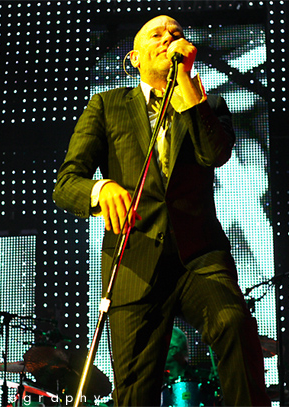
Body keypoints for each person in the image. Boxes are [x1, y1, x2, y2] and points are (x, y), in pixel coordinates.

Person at [53, 15, 270, 406]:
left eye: (176, 34)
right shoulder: (107, 106)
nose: (169, 38)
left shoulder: (208, 104)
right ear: (134, 58)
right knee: (135, 387)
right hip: (133, 260)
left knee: (235, 326)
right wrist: (101, 189)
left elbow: (214, 154)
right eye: (157, 34)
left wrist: (187, 83)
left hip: (200, 255)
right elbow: (66, 184)